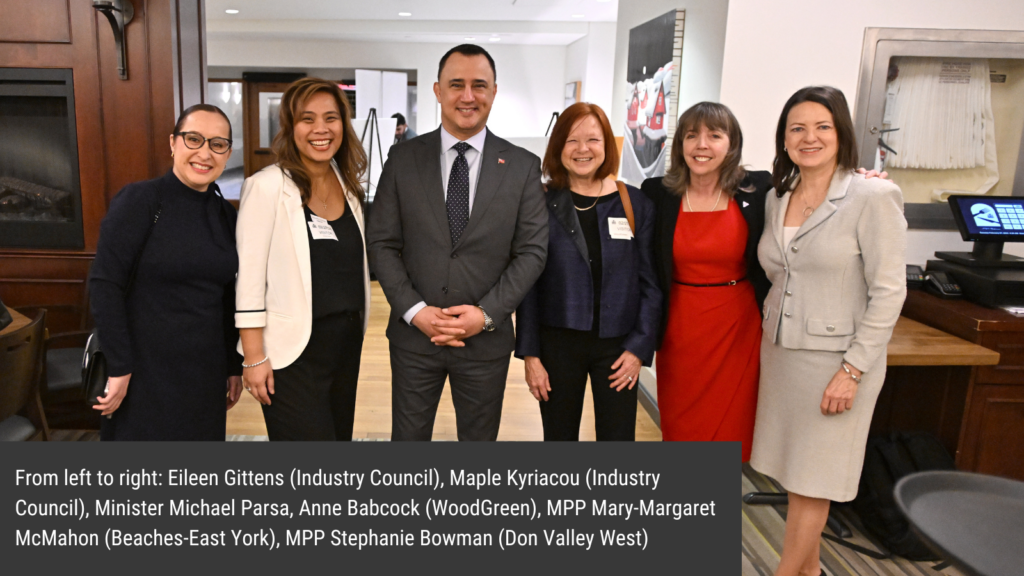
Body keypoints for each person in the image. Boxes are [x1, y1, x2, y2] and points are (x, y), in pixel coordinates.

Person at [750, 86, 906, 576]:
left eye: (822, 127)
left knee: (815, 483)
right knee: (799, 479)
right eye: (797, 128)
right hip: (782, 355)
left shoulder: (872, 195)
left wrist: (853, 370)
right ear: (784, 138)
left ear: (841, 133)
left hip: (836, 364)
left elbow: (889, 292)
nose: (809, 137)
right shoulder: (779, 196)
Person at [367, 44, 548, 441]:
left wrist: (484, 315)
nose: (468, 96)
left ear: (494, 91)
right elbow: (381, 241)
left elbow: (532, 252)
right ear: (437, 91)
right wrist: (415, 311)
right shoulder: (402, 160)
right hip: (415, 338)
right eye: (456, 85)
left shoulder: (522, 166)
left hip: (486, 342)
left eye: (479, 85)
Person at [89, 104, 242, 440]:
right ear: (173, 143)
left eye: (217, 144)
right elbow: (104, 284)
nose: (205, 152)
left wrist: (232, 366)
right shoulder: (140, 201)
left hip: (204, 371)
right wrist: (119, 366)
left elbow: (228, 299)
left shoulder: (226, 216)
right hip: (142, 371)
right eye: (194, 139)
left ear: (227, 154)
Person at [235, 77, 371, 441]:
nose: (321, 129)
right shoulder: (266, 187)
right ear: (290, 126)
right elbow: (248, 280)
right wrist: (253, 357)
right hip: (290, 354)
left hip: (344, 348)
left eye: (331, 117)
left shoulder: (350, 189)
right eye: (307, 119)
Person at [515, 102, 660, 441]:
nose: (583, 149)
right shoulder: (538, 202)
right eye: (572, 141)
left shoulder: (634, 203)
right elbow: (527, 285)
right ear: (558, 147)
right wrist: (531, 355)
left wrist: (639, 348)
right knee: (559, 437)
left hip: (619, 347)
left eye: (593, 140)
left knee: (617, 439)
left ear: (607, 145)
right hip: (557, 346)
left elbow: (651, 285)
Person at [641, 102, 770, 458]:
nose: (702, 145)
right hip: (680, 329)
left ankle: (713, 505)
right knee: (682, 427)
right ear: (680, 143)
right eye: (692, 135)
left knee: (730, 431)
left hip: (739, 329)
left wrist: (865, 178)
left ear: (732, 144)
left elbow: (814, 189)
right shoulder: (657, 192)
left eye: (715, 135)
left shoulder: (758, 190)